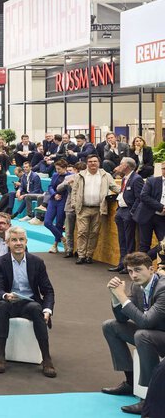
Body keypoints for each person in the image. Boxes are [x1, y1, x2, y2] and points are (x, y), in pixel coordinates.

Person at [101, 252, 165, 415]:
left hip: (158, 335)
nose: (134, 275)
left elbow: (145, 322)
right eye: (130, 271)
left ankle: (150, 399)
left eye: (138, 270)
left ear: (151, 269)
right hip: (153, 334)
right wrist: (115, 296)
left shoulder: (163, 288)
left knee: (142, 334)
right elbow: (121, 318)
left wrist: (122, 296)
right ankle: (130, 382)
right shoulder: (137, 286)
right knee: (110, 326)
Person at [0, 227, 57, 377]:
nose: (18, 243)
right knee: (1, 305)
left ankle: (46, 358)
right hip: (9, 302)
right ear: (7, 243)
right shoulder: (0, 262)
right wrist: (5, 295)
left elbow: (48, 290)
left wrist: (48, 310)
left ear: (26, 241)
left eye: (21, 240)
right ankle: (0, 355)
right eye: (14, 240)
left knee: (37, 308)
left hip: (29, 303)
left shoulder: (37, 262)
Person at [73, 154, 121, 264]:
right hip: (83, 208)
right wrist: (74, 205)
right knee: (82, 232)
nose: (93, 163)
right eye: (90, 161)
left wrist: (126, 192)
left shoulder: (106, 175)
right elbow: (74, 191)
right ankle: (81, 255)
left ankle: (89, 255)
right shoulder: (80, 175)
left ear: (99, 163)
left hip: (99, 209)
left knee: (94, 233)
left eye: (95, 161)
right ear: (87, 163)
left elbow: (114, 187)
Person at [111, 157, 144, 273]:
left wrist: (132, 212)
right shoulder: (125, 178)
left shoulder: (137, 179)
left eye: (121, 164)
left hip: (128, 212)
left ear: (126, 166)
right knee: (121, 239)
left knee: (129, 239)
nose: (119, 166)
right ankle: (122, 263)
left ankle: (129, 265)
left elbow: (139, 198)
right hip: (121, 211)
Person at [135, 161, 165, 255]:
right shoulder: (152, 181)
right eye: (164, 168)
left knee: (163, 244)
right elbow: (144, 196)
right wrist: (161, 207)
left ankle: (144, 261)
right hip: (147, 216)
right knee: (144, 245)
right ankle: (141, 268)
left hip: (162, 219)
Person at [42, 160, 69, 254]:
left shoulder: (70, 176)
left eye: (59, 169)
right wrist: (54, 194)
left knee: (59, 224)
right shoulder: (54, 175)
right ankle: (63, 239)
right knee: (47, 222)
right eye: (56, 169)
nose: (57, 171)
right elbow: (50, 187)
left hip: (63, 201)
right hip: (53, 200)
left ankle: (55, 245)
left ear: (65, 168)